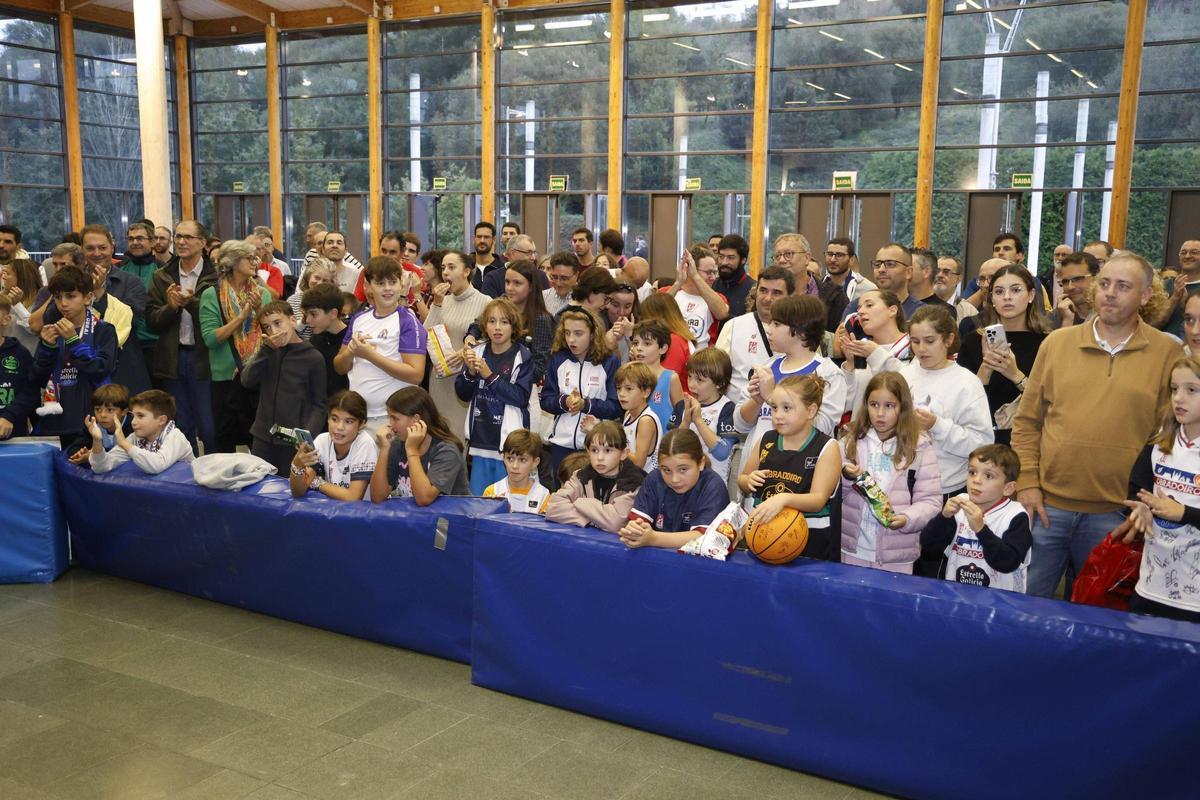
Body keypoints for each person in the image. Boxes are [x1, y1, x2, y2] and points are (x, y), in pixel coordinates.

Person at [1012, 253, 1183, 600]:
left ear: (1146, 296)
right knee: (1026, 609)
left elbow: (1169, 435)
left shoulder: (1168, 352)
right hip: (1047, 508)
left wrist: (1146, 502)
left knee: (1099, 622)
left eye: (1123, 287)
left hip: (1118, 516)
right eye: (1104, 284)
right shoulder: (1057, 344)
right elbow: (1028, 421)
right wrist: (1027, 482)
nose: (1109, 293)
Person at [1121, 355, 1200, 622]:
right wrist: (1140, 510)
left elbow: (1180, 512)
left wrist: (1184, 513)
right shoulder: (1158, 445)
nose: (1178, 398)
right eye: (1174, 389)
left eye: (1191, 390)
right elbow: (1136, 492)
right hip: (1151, 588)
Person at [839, 371, 942, 572]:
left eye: (889, 406)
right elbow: (831, 494)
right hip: (852, 550)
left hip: (897, 556)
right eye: (874, 404)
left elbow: (931, 501)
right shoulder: (849, 442)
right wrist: (845, 476)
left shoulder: (920, 448)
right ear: (865, 405)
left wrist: (907, 518)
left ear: (902, 408)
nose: (879, 413)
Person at [739, 374, 843, 561]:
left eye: (787, 408)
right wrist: (748, 480)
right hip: (764, 536)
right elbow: (743, 479)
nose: (778, 415)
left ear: (810, 411)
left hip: (810, 544)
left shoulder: (827, 447)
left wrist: (783, 499)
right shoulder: (766, 440)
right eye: (774, 408)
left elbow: (818, 499)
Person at [900, 305, 993, 499]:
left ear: (949, 339)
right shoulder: (905, 374)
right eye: (915, 342)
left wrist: (937, 425)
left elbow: (982, 443)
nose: (921, 349)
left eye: (930, 341)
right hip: (901, 482)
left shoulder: (966, 382)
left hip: (946, 487)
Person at [957, 265, 1050, 446]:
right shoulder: (973, 340)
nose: (1007, 297)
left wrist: (1015, 375)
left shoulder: (1047, 343)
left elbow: (1050, 403)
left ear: (1031, 295)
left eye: (1015, 290)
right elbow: (961, 402)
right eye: (999, 291)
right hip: (980, 440)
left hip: (1028, 440)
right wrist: (986, 368)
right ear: (991, 298)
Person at [146, 220, 218, 454]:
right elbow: (152, 321)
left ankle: (216, 476)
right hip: (172, 359)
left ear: (202, 243)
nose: (181, 242)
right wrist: (171, 307)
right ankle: (189, 477)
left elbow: (220, 319)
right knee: (181, 426)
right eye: (178, 237)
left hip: (206, 359)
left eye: (188, 237)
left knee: (209, 426)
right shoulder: (162, 276)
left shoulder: (216, 276)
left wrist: (190, 303)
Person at [736, 294, 845, 447]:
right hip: (757, 462)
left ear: (801, 330)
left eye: (776, 324)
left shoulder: (828, 373)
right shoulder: (768, 366)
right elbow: (740, 425)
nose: (769, 330)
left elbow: (822, 428)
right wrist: (757, 401)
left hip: (797, 466)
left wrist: (771, 398)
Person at [334, 256, 428, 432]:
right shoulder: (359, 318)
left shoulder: (408, 321)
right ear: (368, 286)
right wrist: (351, 352)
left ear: (401, 284)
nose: (387, 289)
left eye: (392, 282)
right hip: (358, 416)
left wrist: (370, 355)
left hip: (392, 418)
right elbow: (339, 366)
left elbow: (416, 375)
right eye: (380, 283)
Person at [920, 445, 1032, 591]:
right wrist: (944, 517)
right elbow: (929, 547)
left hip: (1001, 603)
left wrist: (981, 529)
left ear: (1008, 488)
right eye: (972, 472)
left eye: (988, 476)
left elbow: (1007, 562)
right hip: (957, 596)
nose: (976, 480)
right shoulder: (959, 506)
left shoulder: (1016, 515)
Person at [199, 239, 273, 453]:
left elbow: (272, 334)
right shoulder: (211, 294)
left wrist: (259, 311)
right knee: (225, 440)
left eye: (255, 257)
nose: (255, 262)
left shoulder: (262, 294)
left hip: (256, 377)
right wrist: (241, 317)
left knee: (258, 439)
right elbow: (211, 339)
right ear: (231, 261)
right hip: (225, 378)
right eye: (249, 258)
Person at [240, 301, 328, 477]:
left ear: (293, 320)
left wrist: (307, 438)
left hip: (292, 442)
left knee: (291, 492)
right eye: (267, 327)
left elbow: (320, 405)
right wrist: (266, 351)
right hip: (263, 437)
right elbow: (247, 381)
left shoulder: (313, 357)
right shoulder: (267, 352)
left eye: (278, 323)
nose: (274, 331)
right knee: (260, 489)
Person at [455, 298, 534, 494]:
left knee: (506, 503)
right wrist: (471, 374)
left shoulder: (522, 356)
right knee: (479, 502)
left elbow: (520, 397)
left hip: (509, 443)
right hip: (481, 438)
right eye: (491, 321)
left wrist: (490, 376)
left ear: (513, 326)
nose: (497, 327)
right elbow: (462, 394)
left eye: (504, 322)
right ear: (484, 325)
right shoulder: (477, 351)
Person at [32, 267, 117, 446]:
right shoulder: (51, 331)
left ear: (87, 298)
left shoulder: (104, 330)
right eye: (57, 297)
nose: (63, 303)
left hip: (90, 420)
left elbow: (101, 369)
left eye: (70, 296)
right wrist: (47, 348)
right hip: (55, 420)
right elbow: (36, 378)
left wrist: (73, 340)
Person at [541, 306, 622, 481]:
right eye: (567, 333)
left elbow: (617, 406)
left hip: (597, 446)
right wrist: (565, 402)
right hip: (561, 444)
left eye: (578, 333)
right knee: (561, 498)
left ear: (593, 334)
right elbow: (546, 400)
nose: (571, 339)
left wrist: (586, 405)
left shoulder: (609, 361)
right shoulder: (557, 359)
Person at [620, 429, 730, 550]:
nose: (674, 479)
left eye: (683, 469)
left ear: (701, 463)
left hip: (698, 565)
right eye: (666, 470)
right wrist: (634, 529)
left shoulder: (713, 486)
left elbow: (704, 537)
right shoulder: (655, 479)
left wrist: (654, 538)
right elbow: (638, 522)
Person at [370, 386, 469, 505]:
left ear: (416, 419)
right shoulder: (397, 445)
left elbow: (424, 499)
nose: (390, 424)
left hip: (449, 520)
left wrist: (412, 451)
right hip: (415, 519)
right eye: (389, 417)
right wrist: (384, 449)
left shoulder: (446, 451)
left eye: (395, 418)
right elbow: (377, 497)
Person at [546, 420, 647, 532]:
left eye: (608, 450)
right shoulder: (580, 476)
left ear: (623, 454)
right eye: (594, 450)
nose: (600, 457)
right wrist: (592, 520)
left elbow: (615, 523)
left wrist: (579, 501)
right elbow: (553, 508)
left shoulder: (634, 483)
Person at [715, 266, 794, 402]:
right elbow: (715, 375)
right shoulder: (734, 326)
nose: (768, 298)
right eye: (763, 290)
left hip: (783, 411)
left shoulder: (800, 332)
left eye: (776, 293)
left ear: (790, 297)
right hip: (737, 411)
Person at [289, 389, 377, 501]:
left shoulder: (365, 443)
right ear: (328, 419)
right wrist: (297, 465)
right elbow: (298, 492)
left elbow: (353, 497)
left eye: (348, 421)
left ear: (362, 424)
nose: (340, 427)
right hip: (334, 511)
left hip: (361, 514)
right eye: (334, 419)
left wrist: (317, 482)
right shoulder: (322, 441)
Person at [838, 289, 912, 414]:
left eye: (869, 305)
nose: (860, 312)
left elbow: (912, 389)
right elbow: (845, 406)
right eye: (859, 308)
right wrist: (850, 366)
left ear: (892, 310)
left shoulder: (914, 345)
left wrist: (876, 354)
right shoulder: (861, 348)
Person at [669, 347, 738, 481]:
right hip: (682, 482)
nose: (692, 385)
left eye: (699, 380)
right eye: (689, 377)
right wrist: (686, 422)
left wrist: (699, 421)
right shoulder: (681, 405)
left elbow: (722, 453)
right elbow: (670, 448)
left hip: (712, 485)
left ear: (720, 383)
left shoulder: (728, 408)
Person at [87, 389, 194, 474]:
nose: (133, 422)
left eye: (140, 416)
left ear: (161, 420)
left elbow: (156, 466)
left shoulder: (175, 436)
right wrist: (97, 441)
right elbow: (101, 467)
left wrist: (124, 443)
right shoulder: (135, 438)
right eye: (133, 416)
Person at [663, 245, 728, 349]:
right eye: (708, 272)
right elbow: (655, 312)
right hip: (671, 354)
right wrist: (679, 282)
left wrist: (696, 276)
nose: (713, 277)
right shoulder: (667, 291)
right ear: (690, 269)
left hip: (702, 360)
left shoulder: (717, 297)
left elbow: (722, 313)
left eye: (715, 272)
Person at [842, 242, 922, 322]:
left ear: (908, 272)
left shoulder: (919, 313)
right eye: (877, 264)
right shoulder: (857, 307)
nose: (881, 270)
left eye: (890, 264)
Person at [627, 320, 683, 430]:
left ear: (663, 348)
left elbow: (681, 415)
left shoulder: (670, 378)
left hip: (664, 443)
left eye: (647, 343)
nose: (639, 348)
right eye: (635, 343)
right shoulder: (630, 377)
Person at [638, 293, 695, 394]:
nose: (643, 322)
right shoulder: (677, 338)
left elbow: (663, 383)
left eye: (645, 317)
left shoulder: (674, 341)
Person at [482, 429, 550, 514]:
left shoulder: (543, 496)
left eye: (522, 460)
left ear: (535, 462)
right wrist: (493, 511)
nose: (515, 466)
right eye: (510, 458)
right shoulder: (492, 492)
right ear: (503, 458)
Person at [610, 361, 662, 473]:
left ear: (646, 392)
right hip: (630, 476)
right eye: (619, 388)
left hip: (645, 482)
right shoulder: (628, 414)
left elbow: (638, 463)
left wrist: (614, 444)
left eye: (628, 389)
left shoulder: (646, 421)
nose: (621, 394)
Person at [301, 283, 350, 399]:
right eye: (306, 314)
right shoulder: (314, 341)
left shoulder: (352, 340)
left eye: (313, 314)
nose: (307, 320)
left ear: (333, 313)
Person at [65, 384, 133, 465]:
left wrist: (94, 454)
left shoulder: (134, 426)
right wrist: (80, 453)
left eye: (110, 410)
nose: (102, 415)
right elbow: (74, 448)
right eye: (98, 409)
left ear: (124, 412)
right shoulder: (92, 425)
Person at [819, 237, 876, 331]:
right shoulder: (818, 285)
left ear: (851, 259)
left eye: (839, 255)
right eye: (829, 254)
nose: (832, 259)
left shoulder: (867, 289)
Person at [0, 293, 36, 439]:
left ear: (6, 319)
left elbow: (30, 391)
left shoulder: (19, 353)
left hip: (14, 435)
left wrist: (9, 416)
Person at [1158, 240, 1200, 337]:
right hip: (1161, 345)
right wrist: (1174, 298)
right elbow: (1152, 324)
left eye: (1194, 252)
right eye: (1183, 253)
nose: (1187, 256)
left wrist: (1184, 306)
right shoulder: (1162, 286)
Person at [0, 257, 42, 354]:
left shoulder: (40, 301)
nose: (3, 277)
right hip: (4, 359)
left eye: (8, 274)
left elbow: (34, 329)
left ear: (22, 277)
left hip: (29, 358)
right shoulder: (2, 298)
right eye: (3, 273)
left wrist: (17, 305)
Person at [1048, 252, 1099, 330]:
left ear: (1096, 279)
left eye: (1077, 279)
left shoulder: (1108, 315)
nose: (1070, 287)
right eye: (1065, 281)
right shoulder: (1053, 319)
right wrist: (1067, 321)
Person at [713, 234, 755, 323]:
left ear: (743, 260)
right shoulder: (713, 284)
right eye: (721, 257)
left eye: (730, 258)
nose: (724, 262)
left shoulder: (754, 290)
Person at [602, 280, 639, 363]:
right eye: (616, 305)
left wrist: (629, 337)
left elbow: (642, 367)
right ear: (606, 303)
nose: (621, 312)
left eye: (627, 306)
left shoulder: (640, 327)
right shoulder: (597, 325)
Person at [933, 256, 978, 322]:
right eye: (936, 271)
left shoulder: (969, 312)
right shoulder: (919, 305)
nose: (939, 275)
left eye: (946, 272)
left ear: (959, 278)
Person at [469, 222, 507, 295]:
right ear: (474, 239)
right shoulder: (465, 267)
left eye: (486, 237)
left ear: (494, 239)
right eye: (479, 237)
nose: (482, 240)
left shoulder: (502, 269)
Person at [543, 251, 581, 317]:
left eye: (564, 278)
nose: (558, 283)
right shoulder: (543, 297)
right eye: (554, 277)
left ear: (576, 275)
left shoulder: (583, 300)